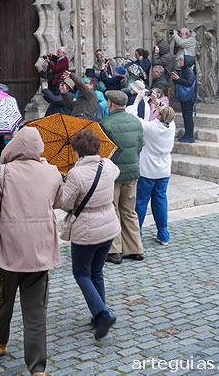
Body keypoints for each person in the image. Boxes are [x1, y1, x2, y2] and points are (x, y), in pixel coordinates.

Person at [0, 127, 63, 376]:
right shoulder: (51, 171)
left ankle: (1, 341)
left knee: (5, 299)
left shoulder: (2, 172)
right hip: (41, 250)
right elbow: (60, 201)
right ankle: (37, 369)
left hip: (10, 250)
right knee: (36, 311)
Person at [59, 130, 120, 339]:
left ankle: (102, 314)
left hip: (87, 229)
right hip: (109, 225)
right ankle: (98, 314)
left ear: (78, 152)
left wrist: (65, 183)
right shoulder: (109, 166)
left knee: (81, 273)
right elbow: (116, 174)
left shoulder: (76, 174)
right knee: (96, 271)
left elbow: (65, 204)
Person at [100, 90, 144, 264]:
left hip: (114, 174)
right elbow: (140, 145)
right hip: (132, 172)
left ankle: (115, 250)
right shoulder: (135, 122)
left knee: (113, 211)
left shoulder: (105, 123)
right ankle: (135, 248)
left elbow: (103, 152)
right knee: (129, 210)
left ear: (109, 104)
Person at [128, 93, 176, 245]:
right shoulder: (172, 125)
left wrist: (137, 100)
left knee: (141, 202)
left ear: (160, 116)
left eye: (158, 110)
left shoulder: (150, 127)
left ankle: (137, 234)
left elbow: (132, 116)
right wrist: (156, 101)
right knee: (160, 200)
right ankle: (163, 233)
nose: (157, 110)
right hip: (164, 169)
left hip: (148, 169)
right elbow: (165, 111)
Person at [171, 55, 197, 143]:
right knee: (186, 117)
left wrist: (178, 79)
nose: (180, 62)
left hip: (188, 98)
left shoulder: (188, 71)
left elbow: (189, 82)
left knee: (188, 117)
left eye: (181, 60)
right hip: (186, 97)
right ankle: (187, 134)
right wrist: (176, 79)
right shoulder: (185, 70)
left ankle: (189, 136)